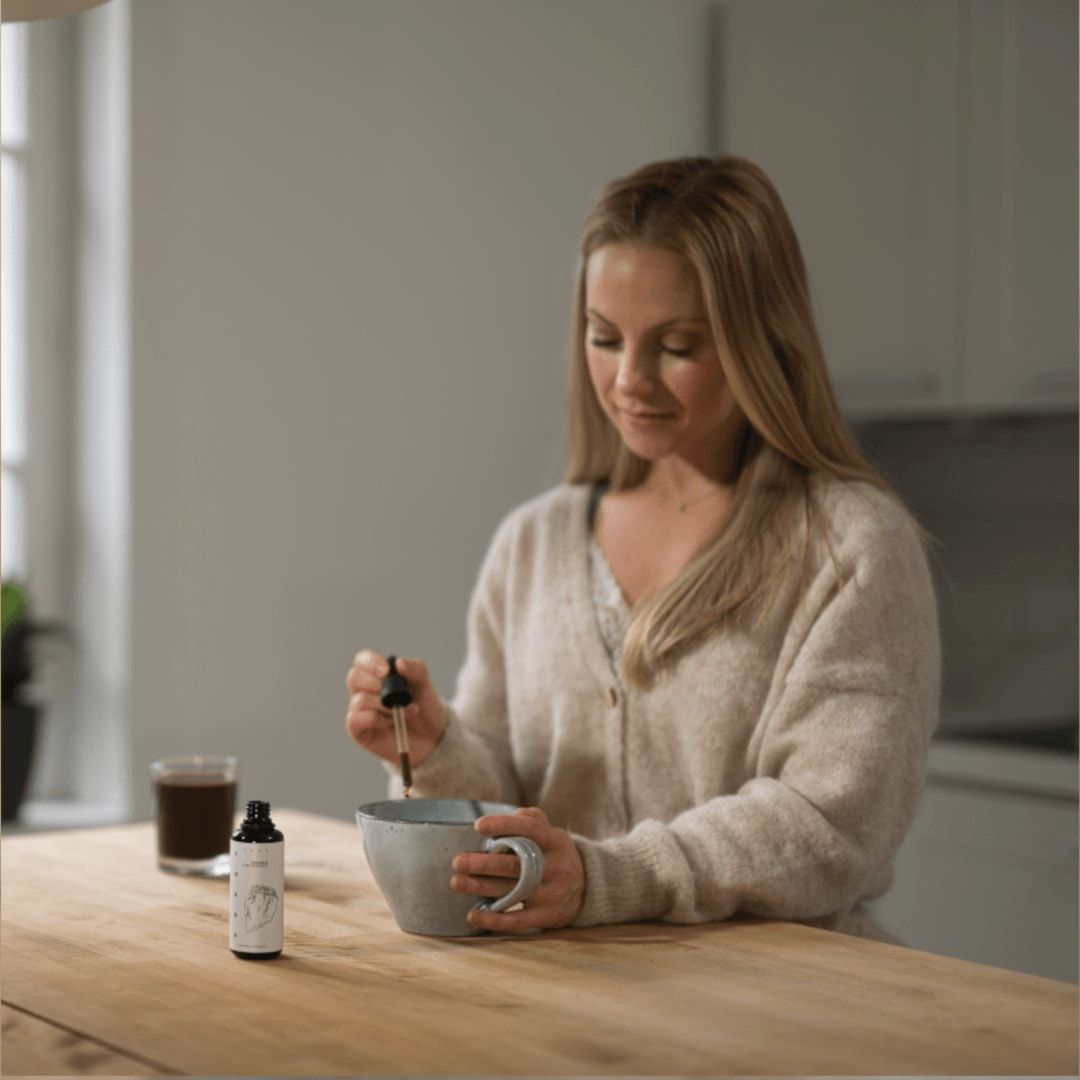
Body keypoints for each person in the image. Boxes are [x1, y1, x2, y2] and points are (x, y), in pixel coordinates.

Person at [345, 155, 940, 941]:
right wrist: (438, 750)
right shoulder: (533, 544)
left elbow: (830, 824)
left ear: (762, 337)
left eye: (678, 345)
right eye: (603, 336)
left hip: (782, 1019)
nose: (629, 379)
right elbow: (513, 803)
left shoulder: (852, 547)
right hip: (567, 1013)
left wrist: (609, 877)